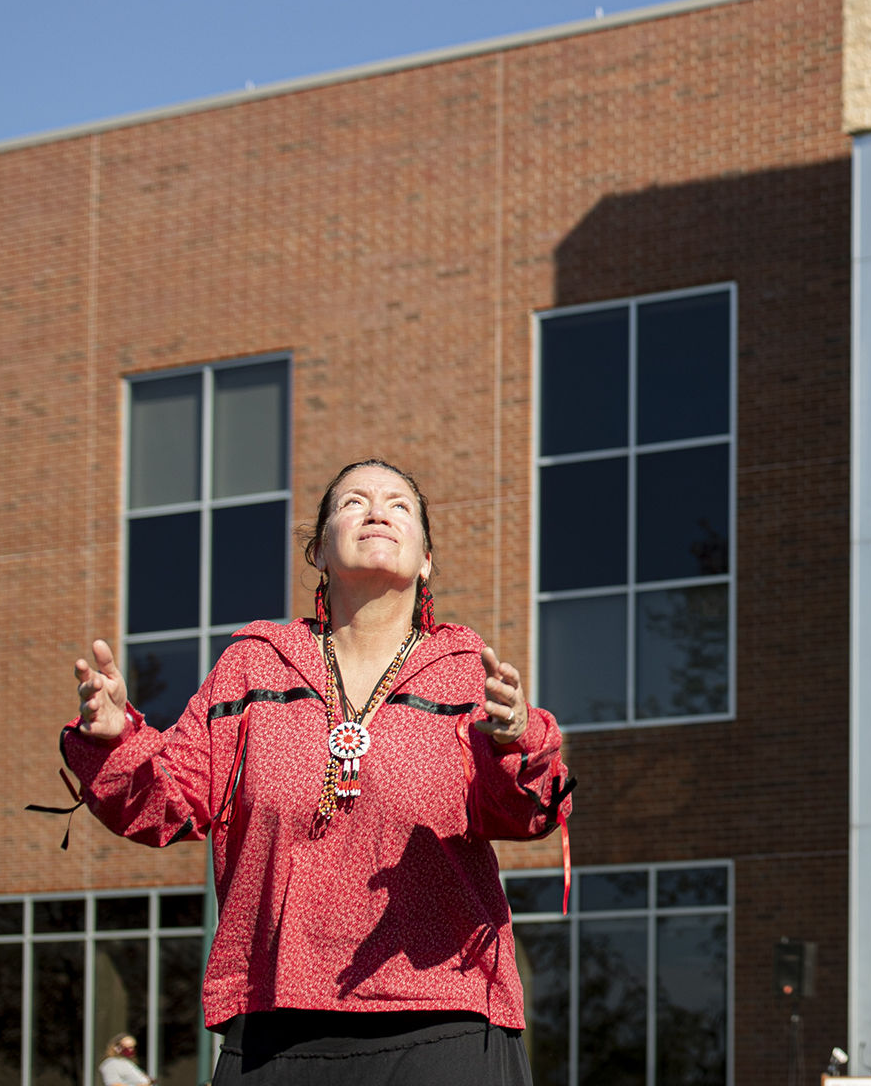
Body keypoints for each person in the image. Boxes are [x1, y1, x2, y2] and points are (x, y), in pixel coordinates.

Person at [61, 459, 574, 1085]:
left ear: (426, 559)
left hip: (447, 1023)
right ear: (319, 549)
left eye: (399, 504)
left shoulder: (468, 675)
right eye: (353, 501)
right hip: (276, 1032)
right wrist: (115, 738)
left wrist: (517, 737)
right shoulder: (253, 668)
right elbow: (165, 804)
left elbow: (534, 813)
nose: (378, 510)